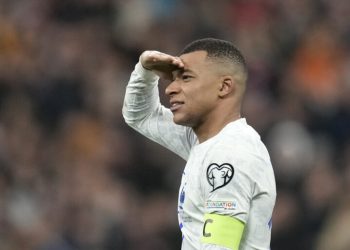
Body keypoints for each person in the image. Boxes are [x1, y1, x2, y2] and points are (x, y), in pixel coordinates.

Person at [122, 38, 276, 250]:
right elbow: (140, 115)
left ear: (223, 87)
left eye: (185, 78)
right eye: (173, 79)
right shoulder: (205, 141)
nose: (170, 88)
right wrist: (146, 71)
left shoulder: (231, 153)